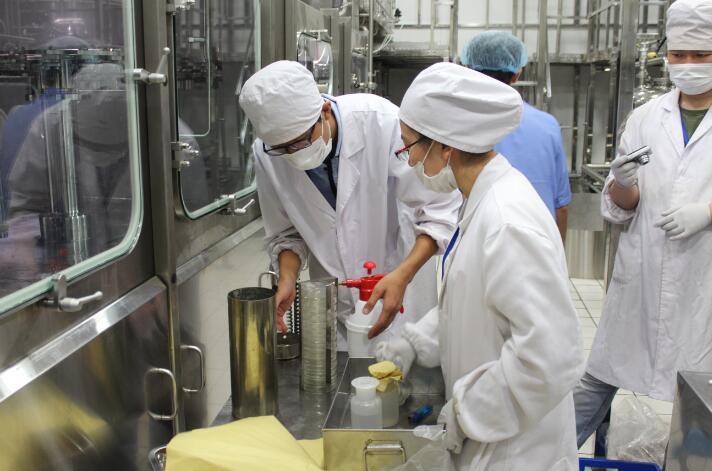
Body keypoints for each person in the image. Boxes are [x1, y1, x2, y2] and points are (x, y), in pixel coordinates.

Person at [375, 62, 584, 471]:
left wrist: (469, 412)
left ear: (445, 147)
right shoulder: (481, 200)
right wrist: (416, 342)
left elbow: (551, 356)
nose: (409, 160)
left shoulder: (507, 222)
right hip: (495, 440)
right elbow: (474, 302)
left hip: (519, 451)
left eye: (410, 146)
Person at [238, 61, 459, 347]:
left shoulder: (382, 123)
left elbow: (438, 212)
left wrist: (403, 275)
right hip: (336, 303)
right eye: (283, 148)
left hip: (400, 287)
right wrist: (288, 277)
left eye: (301, 141)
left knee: (402, 365)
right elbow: (286, 234)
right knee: (344, 368)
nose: (294, 153)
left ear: (324, 111)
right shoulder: (268, 153)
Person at [573, 0, 712, 449]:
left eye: (701, 55)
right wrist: (623, 182)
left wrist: (707, 213)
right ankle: (550, 457)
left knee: (699, 401)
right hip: (642, 277)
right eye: (679, 54)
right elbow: (623, 206)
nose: (688, 64)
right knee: (598, 380)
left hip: (702, 282)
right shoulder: (647, 117)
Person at [461, 31, 572, 241]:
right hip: (539, 246)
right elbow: (561, 206)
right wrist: (558, 256)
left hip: (479, 246)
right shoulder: (547, 126)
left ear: (468, 69)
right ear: (517, 74)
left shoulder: (459, 125)